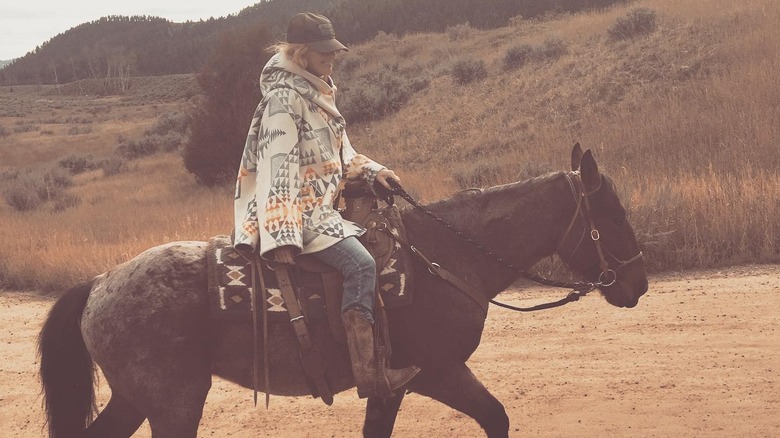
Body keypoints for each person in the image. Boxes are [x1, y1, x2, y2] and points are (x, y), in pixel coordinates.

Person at [233, 12, 419, 399]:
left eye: (332, 51)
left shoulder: (318, 95)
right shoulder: (283, 101)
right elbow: (277, 168)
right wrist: (282, 235)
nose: (331, 58)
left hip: (324, 211)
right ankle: (368, 373)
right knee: (362, 264)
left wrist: (374, 172)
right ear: (301, 54)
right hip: (303, 217)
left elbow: (343, 153)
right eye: (323, 53)